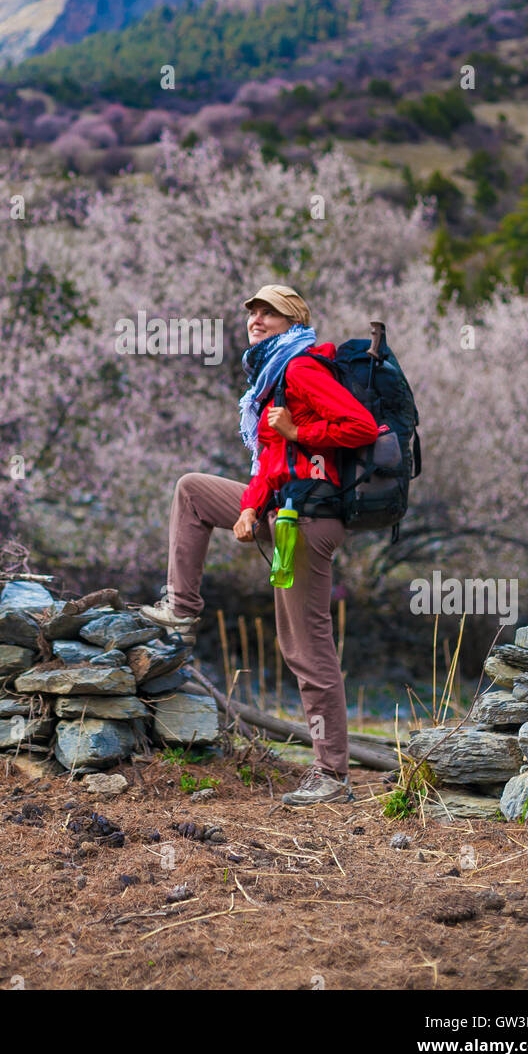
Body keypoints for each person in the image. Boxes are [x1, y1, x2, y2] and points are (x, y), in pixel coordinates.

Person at [141, 284, 380, 805]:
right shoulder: (272, 374)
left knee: (305, 646)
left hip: (313, 519)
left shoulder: (301, 368)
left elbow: (361, 427)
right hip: (282, 508)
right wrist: (249, 507)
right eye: (251, 311)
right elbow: (272, 462)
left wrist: (298, 429)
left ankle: (332, 774)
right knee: (193, 491)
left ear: (291, 318)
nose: (256, 318)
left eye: (267, 311)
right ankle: (182, 607)